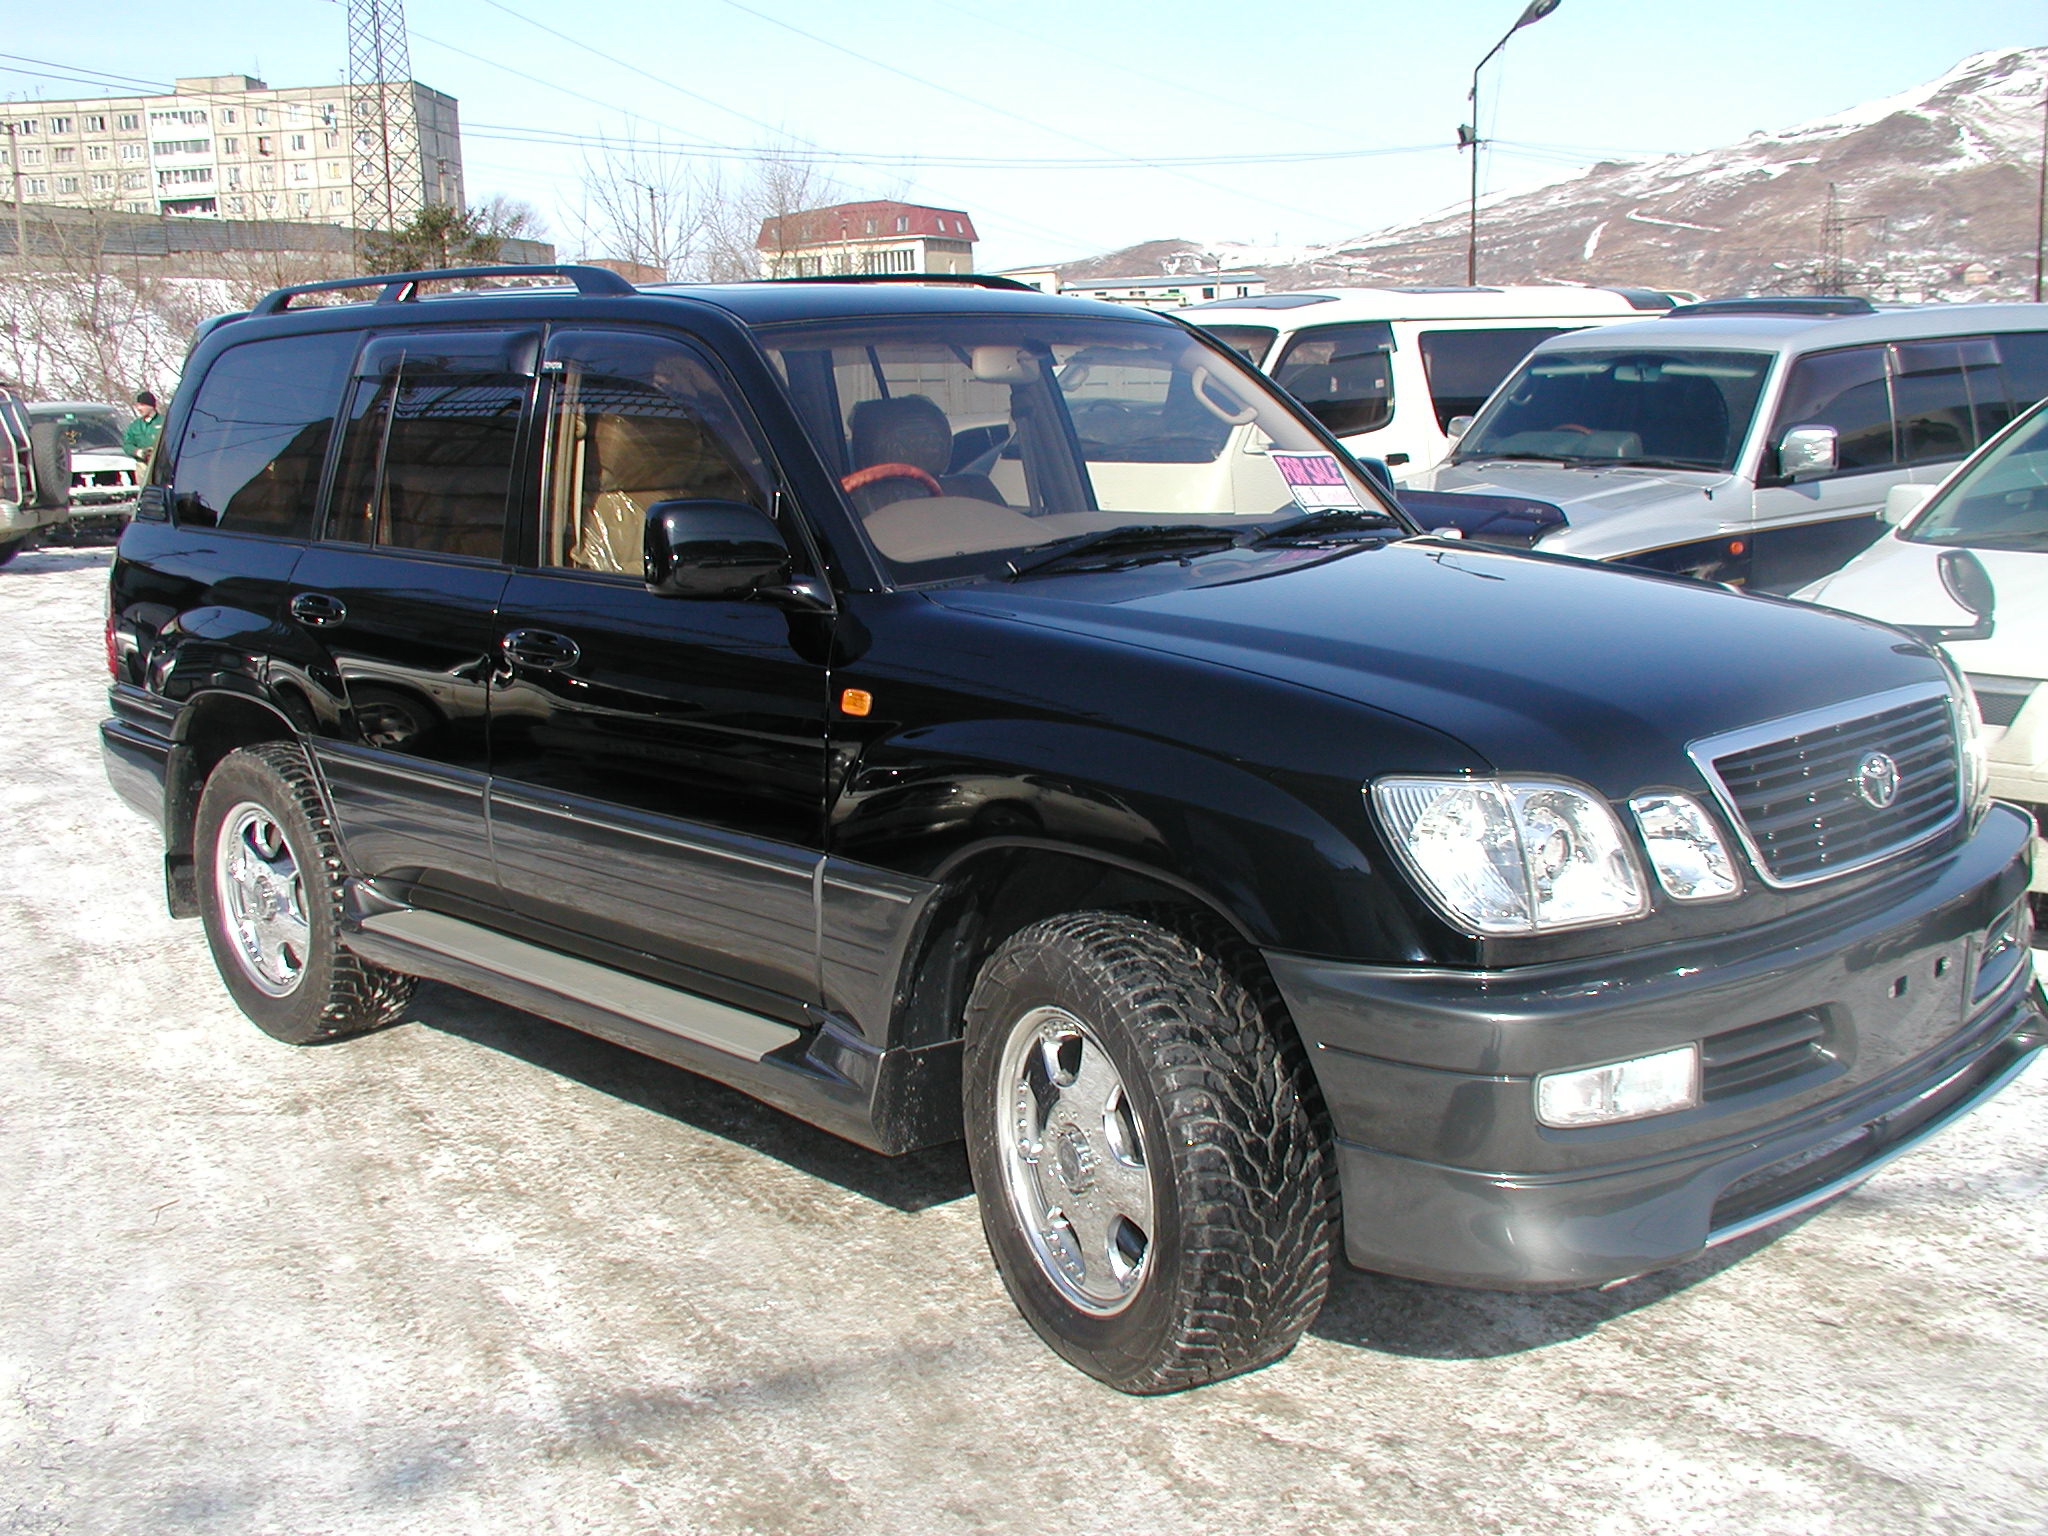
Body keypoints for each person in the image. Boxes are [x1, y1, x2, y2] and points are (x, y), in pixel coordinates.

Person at [123, 391, 162, 463]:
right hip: (142, 466)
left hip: (161, 464)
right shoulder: (135, 425)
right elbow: (127, 445)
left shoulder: (164, 422)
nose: (139, 408)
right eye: (137, 405)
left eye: (142, 405)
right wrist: (139, 452)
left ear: (151, 406)